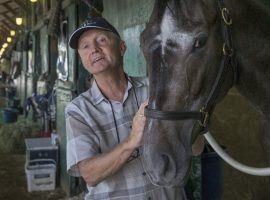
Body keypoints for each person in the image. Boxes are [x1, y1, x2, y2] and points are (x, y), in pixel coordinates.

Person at [66, 16, 204, 200]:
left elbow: (197, 148)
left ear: (122, 47)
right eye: (85, 46)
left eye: (101, 40)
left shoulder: (156, 90)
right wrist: (132, 141)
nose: (94, 49)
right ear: (82, 59)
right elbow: (90, 175)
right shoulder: (78, 110)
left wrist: (184, 116)